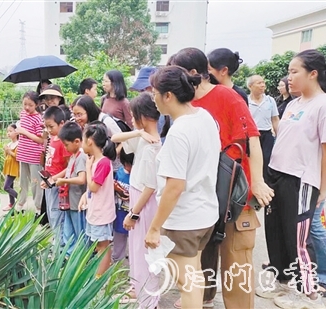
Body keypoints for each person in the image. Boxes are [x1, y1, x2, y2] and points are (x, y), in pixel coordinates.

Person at [169, 47, 274, 309]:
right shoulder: (186, 105)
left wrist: (258, 181)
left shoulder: (227, 96)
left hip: (234, 194)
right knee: (201, 258)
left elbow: (252, 139)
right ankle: (202, 300)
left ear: (194, 73)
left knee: (236, 262)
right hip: (202, 193)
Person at [258, 49, 326, 309]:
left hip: (301, 180)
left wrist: (322, 191)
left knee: (298, 239)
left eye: (294, 72)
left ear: (313, 74)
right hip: (277, 174)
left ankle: (309, 294)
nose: (288, 77)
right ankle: (283, 283)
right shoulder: (293, 103)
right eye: (288, 72)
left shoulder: (324, 105)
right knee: (276, 233)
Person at [145, 66, 220, 309]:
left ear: (168, 96)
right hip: (205, 213)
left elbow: (175, 187)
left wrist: (154, 227)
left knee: (186, 284)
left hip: (184, 220)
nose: (152, 98)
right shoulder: (205, 117)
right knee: (194, 277)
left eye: (154, 92)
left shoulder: (179, 132)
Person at [112, 92, 162, 308]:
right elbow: (114, 139)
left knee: (145, 255)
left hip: (144, 204)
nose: (131, 120)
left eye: (133, 116)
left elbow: (150, 186)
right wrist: (139, 132)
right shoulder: (144, 139)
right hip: (138, 199)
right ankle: (141, 294)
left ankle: (149, 301)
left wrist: (133, 213)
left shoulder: (153, 147)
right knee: (137, 253)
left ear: (142, 116)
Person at [78, 121, 117, 277]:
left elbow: (94, 187)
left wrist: (87, 168)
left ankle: (100, 278)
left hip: (102, 213)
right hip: (97, 211)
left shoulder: (103, 163)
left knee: (103, 246)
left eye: (82, 139)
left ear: (89, 141)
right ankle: (100, 274)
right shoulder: (96, 161)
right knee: (100, 245)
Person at [56, 121, 88, 255]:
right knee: (69, 230)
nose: (65, 148)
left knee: (79, 231)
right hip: (69, 201)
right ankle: (69, 254)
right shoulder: (74, 155)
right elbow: (67, 170)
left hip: (77, 202)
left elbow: (82, 179)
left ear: (76, 141)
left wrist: (64, 180)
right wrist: (53, 178)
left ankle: (81, 256)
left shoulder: (82, 157)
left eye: (66, 145)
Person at [40, 106, 71, 237]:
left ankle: (60, 248)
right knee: (51, 214)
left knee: (57, 216)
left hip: (57, 185)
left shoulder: (64, 143)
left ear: (62, 123)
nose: (48, 130)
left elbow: (70, 167)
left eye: (51, 126)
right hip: (49, 182)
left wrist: (54, 179)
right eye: (46, 127)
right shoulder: (52, 138)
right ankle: (56, 243)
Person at [15, 91, 45, 213]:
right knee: (23, 182)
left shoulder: (38, 119)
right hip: (23, 154)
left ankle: (38, 207)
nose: (27, 107)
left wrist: (24, 132)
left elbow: (41, 139)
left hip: (34, 156)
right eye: (25, 104)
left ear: (36, 104)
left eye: (30, 105)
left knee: (35, 183)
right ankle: (20, 204)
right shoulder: (23, 114)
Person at [247, 74, 279, 177]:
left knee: (267, 159)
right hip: (252, 136)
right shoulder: (246, 101)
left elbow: (275, 119)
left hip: (267, 135)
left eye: (263, 82)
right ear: (250, 86)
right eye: (259, 83)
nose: (262, 85)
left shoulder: (270, 100)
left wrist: (279, 137)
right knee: (252, 160)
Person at [129, 66, 168, 142]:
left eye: (144, 89)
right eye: (139, 90)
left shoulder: (167, 109)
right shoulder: (141, 108)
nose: (141, 93)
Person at [111, 149, 133, 265]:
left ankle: (134, 260)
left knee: (133, 238)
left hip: (133, 213)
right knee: (119, 237)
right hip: (120, 212)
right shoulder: (119, 173)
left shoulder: (137, 176)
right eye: (129, 165)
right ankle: (117, 261)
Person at [2, 124, 19, 211]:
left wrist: (9, 151)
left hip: (14, 168)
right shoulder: (9, 144)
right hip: (8, 167)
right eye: (7, 131)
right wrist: (6, 151)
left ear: (16, 132)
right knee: (10, 186)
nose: (8, 133)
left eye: (10, 131)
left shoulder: (18, 144)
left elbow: (17, 156)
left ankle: (20, 199)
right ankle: (11, 204)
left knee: (6, 187)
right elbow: (6, 155)